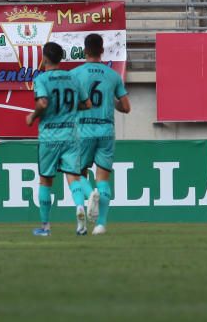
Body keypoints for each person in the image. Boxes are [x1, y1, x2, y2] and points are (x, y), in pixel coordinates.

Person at [25, 42, 92, 237]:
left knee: (46, 180)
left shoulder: (42, 79)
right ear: (61, 58)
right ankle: (80, 208)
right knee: (74, 177)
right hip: (71, 135)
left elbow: (43, 102)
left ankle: (45, 227)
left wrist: (32, 115)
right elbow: (87, 104)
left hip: (50, 136)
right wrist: (70, 109)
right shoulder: (73, 78)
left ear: (45, 58)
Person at [70, 33, 130, 235]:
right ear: (102, 51)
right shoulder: (113, 75)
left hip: (83, 130)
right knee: (103, 178)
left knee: (76, 174)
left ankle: (90, 194)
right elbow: (126, 107)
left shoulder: (75, 74)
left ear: (85, 51)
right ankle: (101, 224)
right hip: (106, 130)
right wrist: (109, 101)